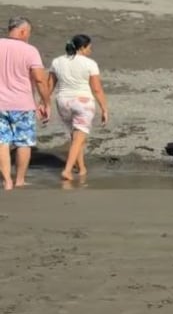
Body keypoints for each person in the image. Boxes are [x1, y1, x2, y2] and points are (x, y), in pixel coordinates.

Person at [0, 17, 52, 190]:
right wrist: (46, 102)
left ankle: (6, 180)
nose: (28, 36)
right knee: (23, 142)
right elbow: (39, 79)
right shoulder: (30, 50)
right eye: (28, 33)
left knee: (2, 142)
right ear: (22, 31)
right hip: (22, 104)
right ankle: (20, 180)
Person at [49, 34, 109, 181]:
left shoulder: (57, 61)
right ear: (82, 47)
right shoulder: (90, 64)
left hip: (63, 101)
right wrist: (104, 108)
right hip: (83, 102)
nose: (90, 50)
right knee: (78, 139)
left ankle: (81, 168)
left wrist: (43, 102)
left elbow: (50, 85)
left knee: (76, 137)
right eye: (89, 47)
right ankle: (67, 170)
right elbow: (97, 89)